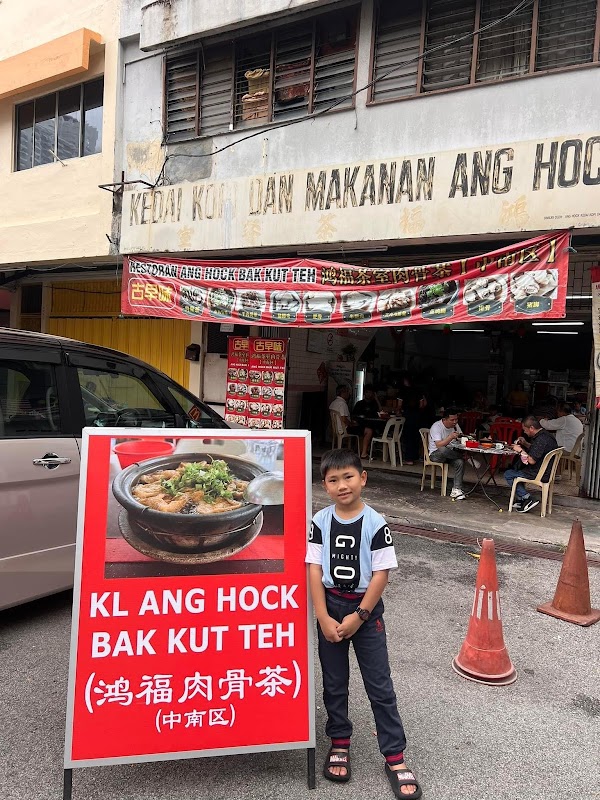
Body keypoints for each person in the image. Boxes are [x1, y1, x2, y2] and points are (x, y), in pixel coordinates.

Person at [305, 449, 422, 798]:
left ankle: (395, 757)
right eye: (333, 480)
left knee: (380, 687)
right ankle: (339, 742)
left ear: (363, 478)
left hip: (366, 614)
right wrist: (322, 615)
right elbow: (313, 567)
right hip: (331, 609)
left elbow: (382, 572)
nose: (342, 485)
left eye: (348, 477)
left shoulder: (375, 522)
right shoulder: (320, 521)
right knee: (334, 683)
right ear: (324, 486)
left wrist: (361, 616)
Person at [504, 415, 558, 513]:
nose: (524, 432)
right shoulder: (546, 435)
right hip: (546, 470)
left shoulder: (541, 440)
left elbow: (532, 460)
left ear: (532, 428)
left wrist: (520, 450)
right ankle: (522, 500)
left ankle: (527, 498)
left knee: (508, 474)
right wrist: (525, 443)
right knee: (516, 469)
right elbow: (537, 450)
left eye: (525, 430)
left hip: (539, 473)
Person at [428, 407, 466, 500]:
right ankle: (465, 457)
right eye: (452, 420)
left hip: (450, 454)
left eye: (456, 419)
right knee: (443, 450)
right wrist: (450, 437)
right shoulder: (436, 426)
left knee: (460, 462)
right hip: (436, 455)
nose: (454, 422)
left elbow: (461, 437)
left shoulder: (455, 426)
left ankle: (456, 490)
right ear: (444, 420)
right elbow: (439, 445)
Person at [330, 385, 374, 459]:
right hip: (345, 429)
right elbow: (344, 419)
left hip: (337, 428)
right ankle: (363, 453)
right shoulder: (342, 404)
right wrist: (351, 424)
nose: (349, 394)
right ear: (343, 393)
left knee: (361, 428)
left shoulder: (333, 403)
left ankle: (357, 449)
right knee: (368, 430)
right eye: (347, 392)